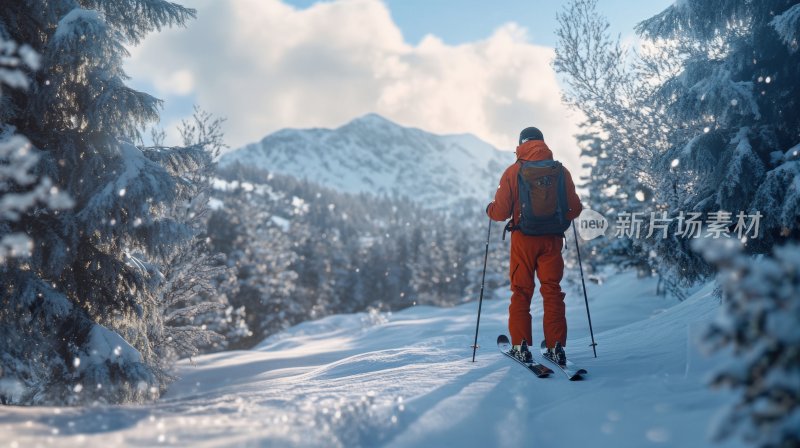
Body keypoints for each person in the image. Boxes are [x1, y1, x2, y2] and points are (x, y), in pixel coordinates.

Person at [486, 126, 582, 365]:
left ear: (520, 144)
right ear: (542, 142)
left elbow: (499, 213)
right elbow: (575, 209)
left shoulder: (513, 172)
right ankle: (556, 346)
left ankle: (520, 345)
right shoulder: (560, 171)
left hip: (523, 240)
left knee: (521, 291)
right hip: (552, 240)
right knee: (552, 291)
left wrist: (489, 208)